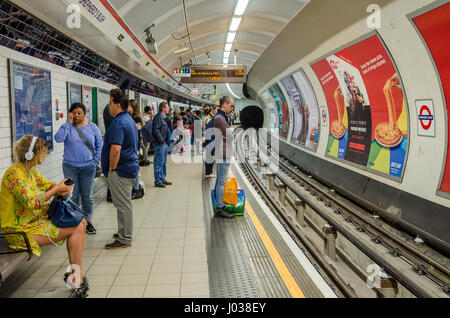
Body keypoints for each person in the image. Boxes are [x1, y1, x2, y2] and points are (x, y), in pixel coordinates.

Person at [0, 136, 88, 297]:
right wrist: (55, 191)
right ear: (31, 154)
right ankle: (76, 277)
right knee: (76, 227)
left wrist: (61, 186)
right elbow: (31, 202)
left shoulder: (29, 171)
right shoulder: (15, 174)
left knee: (81, 222)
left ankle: (76, 275)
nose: (45, 156)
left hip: (32, 224)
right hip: (18, 232)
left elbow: (46, 184)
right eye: (43, 152)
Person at [54, 103, 103, 235]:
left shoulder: (92, 127)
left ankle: (88, 222)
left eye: (79, 113)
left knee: (87, 196)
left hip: (88, 167)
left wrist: (95, 161)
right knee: (72, 196)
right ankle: (74, 221)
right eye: (73, 113)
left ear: (84, 114)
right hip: (70, 166)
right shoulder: (68, 127)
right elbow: (58, 138)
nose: (76, 115)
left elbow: (99, 145)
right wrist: (67, 123)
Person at [101, 89, 138, 249]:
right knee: (124, 203)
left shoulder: (118, 123)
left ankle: (124, 238)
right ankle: (124, 232)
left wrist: (111, 169)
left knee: (123, 204)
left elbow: (115, 149)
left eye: (110, 102)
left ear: (117, 104)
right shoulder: (127, 119)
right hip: (128, 167)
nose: (108, 106)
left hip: (120, 169)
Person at [213, 96, 235, 219]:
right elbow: (231, 136)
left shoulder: (220, 117)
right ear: (225, 105)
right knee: (221, 181)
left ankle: (219, 204)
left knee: (219, 180)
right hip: (223, 152)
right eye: (231, 105)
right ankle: (220, 208)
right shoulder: (220, 118)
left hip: (222, 151)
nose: (232, 108)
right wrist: (228, 136)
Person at [152, 101, 172, 188]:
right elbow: (155, 130)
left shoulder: (164, 118)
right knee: (158, 162)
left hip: (164, 144)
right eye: (167, 107)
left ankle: (162, 178)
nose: (169, 109)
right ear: (163, 108)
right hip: (160, 144)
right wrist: (161, 141)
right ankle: (157, 181)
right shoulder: (158, 117)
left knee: (163, 162)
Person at [128, 99, 145, 200]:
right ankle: (134, 187)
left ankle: (136, 188)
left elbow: (136, 131)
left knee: (135, 167)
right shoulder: (133, 117)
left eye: (129, 106)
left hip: (135, 145)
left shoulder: (136, 118)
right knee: (135, 166)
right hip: (134, 144)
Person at [202, 106, 215, 178]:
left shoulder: (203, 118)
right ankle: (208, 172)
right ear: (210, 112)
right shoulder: (208, 119)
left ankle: (208, 172)